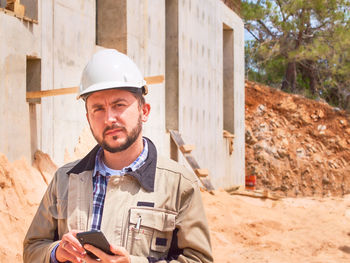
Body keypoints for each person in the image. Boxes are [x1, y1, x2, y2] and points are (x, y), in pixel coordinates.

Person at [23, 49, 213, 263]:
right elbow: (32, 249)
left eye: (119, 105)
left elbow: (199, 259)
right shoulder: (65, 179)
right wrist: (55, 252)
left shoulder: (178, 184)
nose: (109, 118)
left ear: (145, 111)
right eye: (98, 109)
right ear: (88, 117)